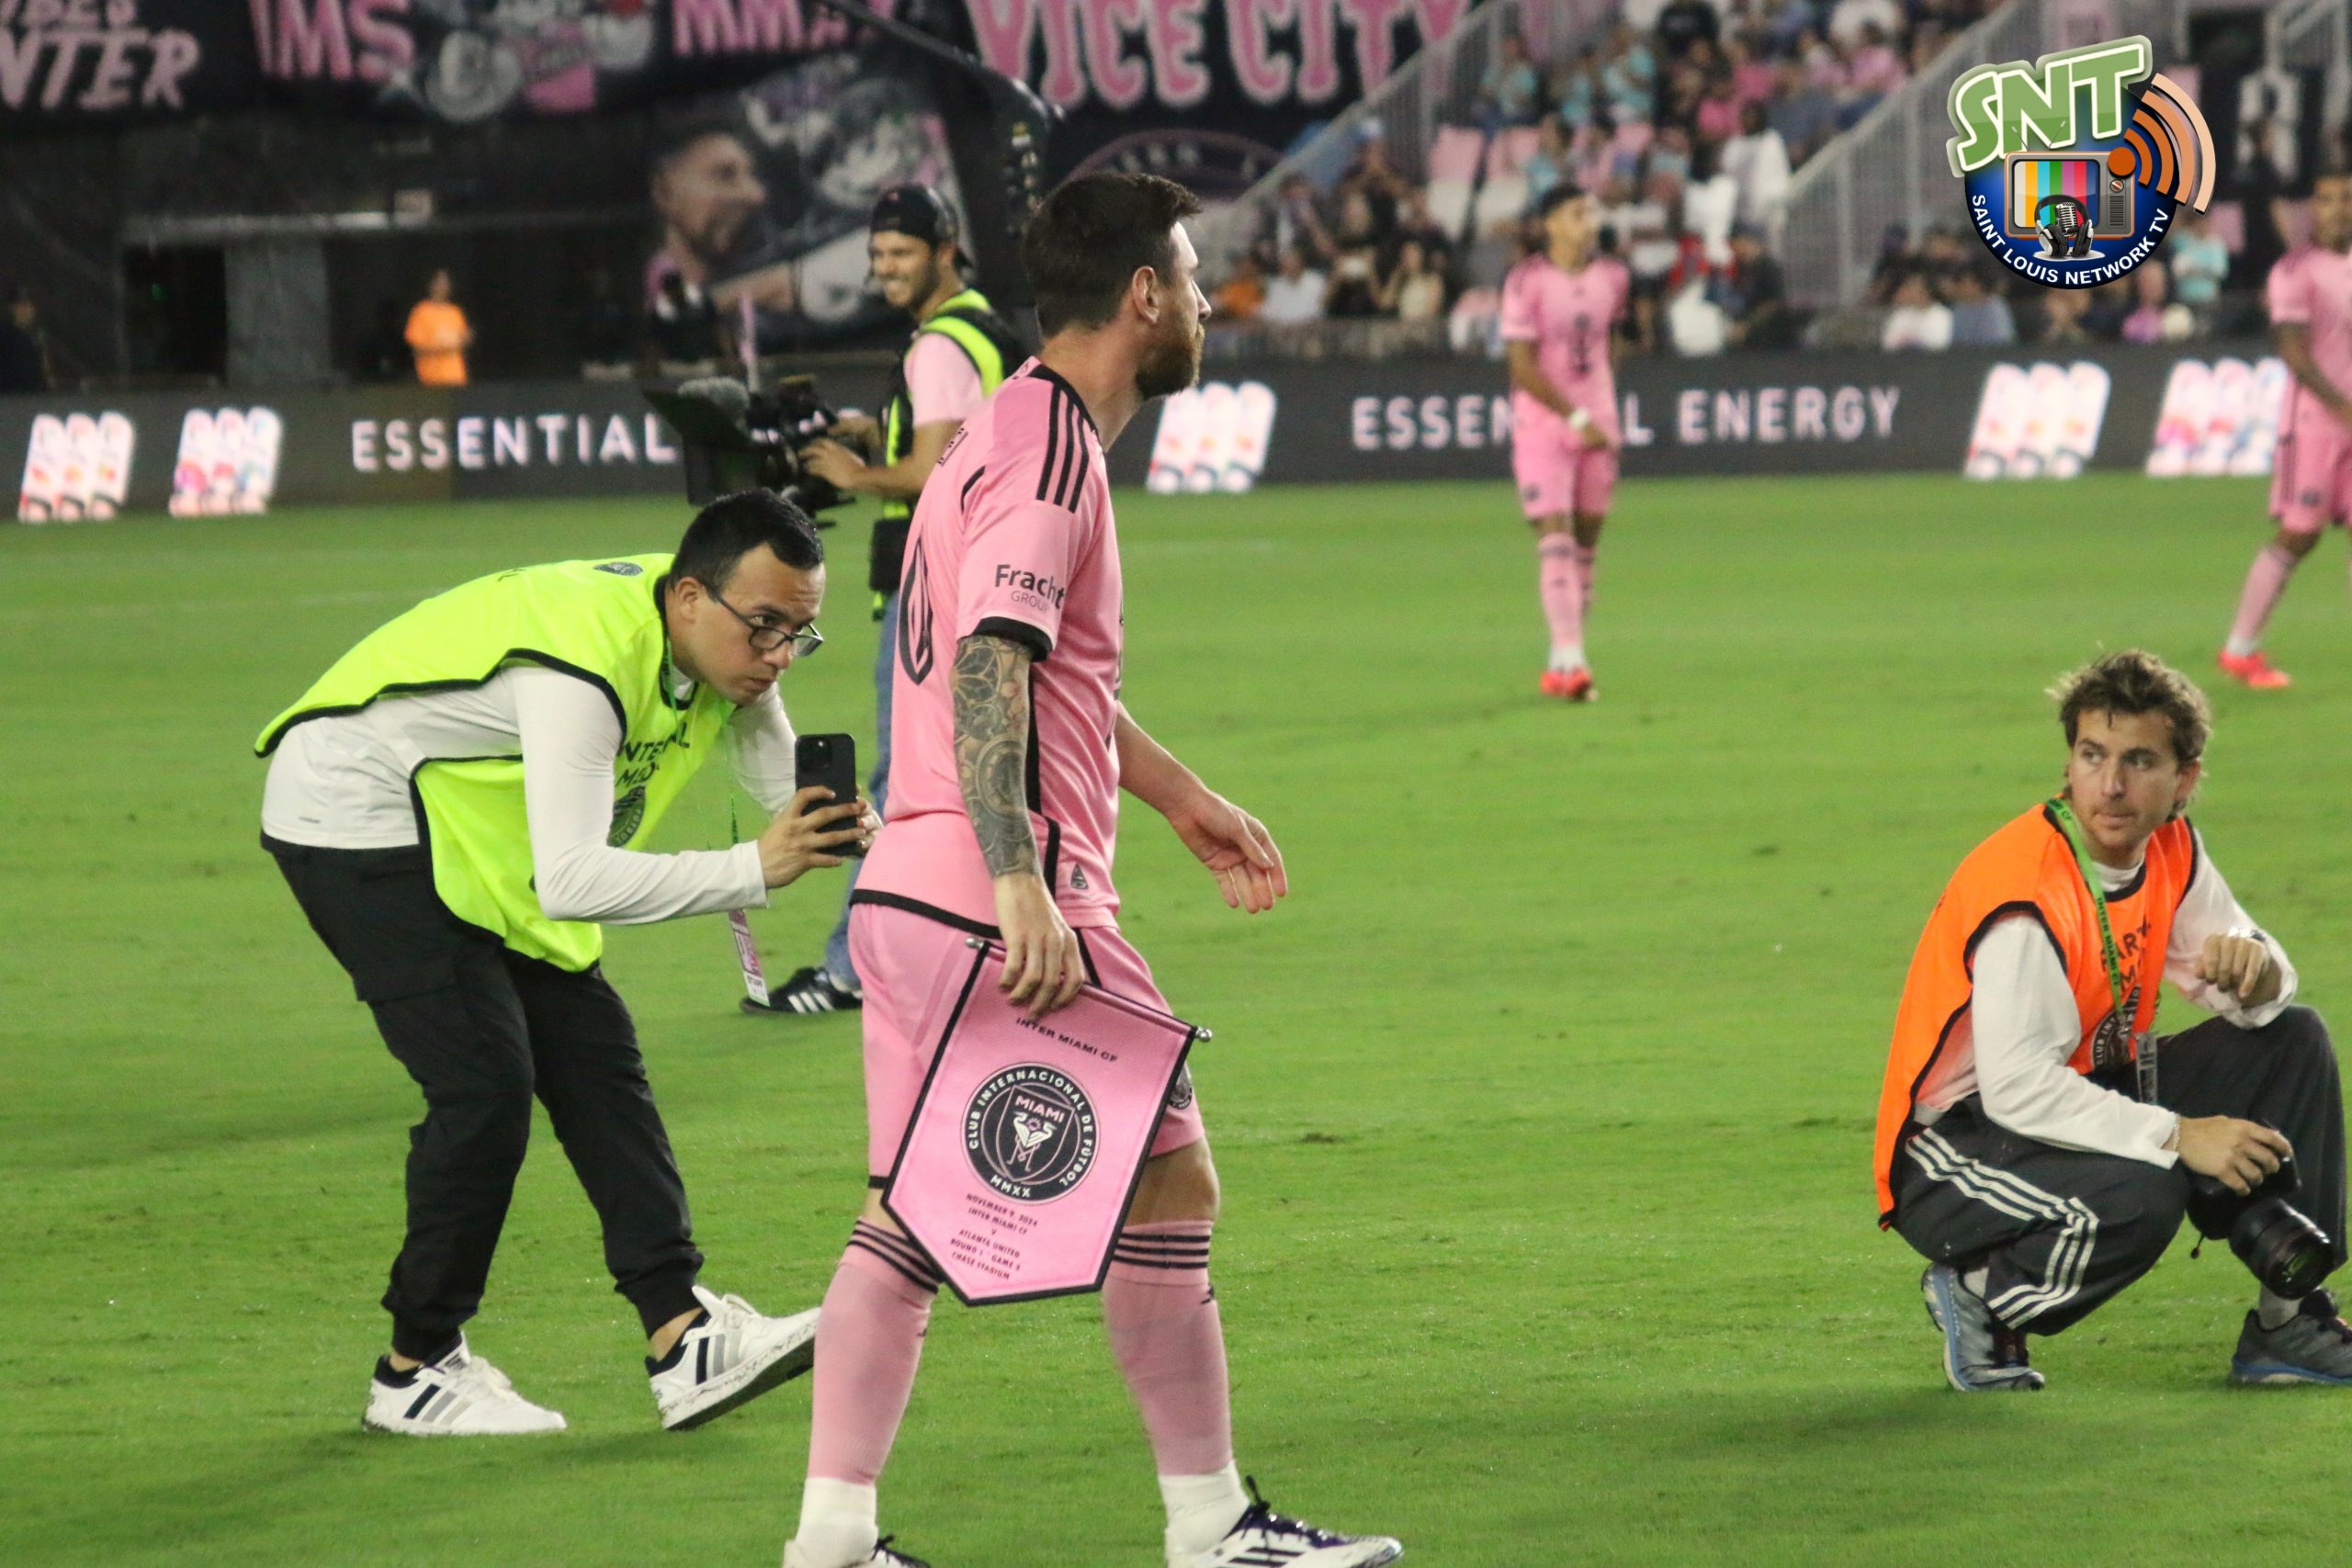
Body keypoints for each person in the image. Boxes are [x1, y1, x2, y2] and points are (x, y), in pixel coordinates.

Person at [780, 171, 1402, 1568]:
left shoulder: (999, 432)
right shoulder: (1053, 453)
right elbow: (991, 662)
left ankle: (833, 1536)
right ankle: (1210, 1523)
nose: (1202, 302)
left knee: (906, 1217)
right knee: (1171, 1188)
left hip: (907, 894)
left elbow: (1041, 667)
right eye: (1188, 276)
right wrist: (1020, 879)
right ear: (1140, 296)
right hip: (1005, 899)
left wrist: (1179, 797)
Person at [254, 492, 875, 1437]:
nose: (780, 654)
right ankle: (416, 1368)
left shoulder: (723, 644)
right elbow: (574, 879)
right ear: (689, 598)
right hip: (351, 812)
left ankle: (683, 1336)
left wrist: (879, 843)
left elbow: (781, 792)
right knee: (485, 1084)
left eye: (799, 632)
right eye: (765, 628)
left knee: (594, 1055)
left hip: (461, 823)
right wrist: (754, 867)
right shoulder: (584, 666)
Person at [1874, 650, 2351, 1393]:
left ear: (2183, 780)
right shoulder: (2028, 891)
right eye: (2093, 755)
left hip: (2084, 1085)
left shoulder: (2168, 848)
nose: (2111, 784)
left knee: (2294, 1039)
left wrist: (2258, 973)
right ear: (2069, 762)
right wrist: (2181, 1134)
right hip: (1955, 1146)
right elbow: (2018, 1089)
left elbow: (2255, 980)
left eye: (2139, 760)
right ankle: (1982, 1295)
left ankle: (2288, 1319)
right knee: (2143, 1194)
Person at [777, 186, 1025, 1016]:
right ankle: (982, 941)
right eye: (877, 255)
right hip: (984, 577)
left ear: (944, 249)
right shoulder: (982, 327)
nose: (886, 269)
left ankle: (850, 967)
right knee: (972, 774)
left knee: (896, 784)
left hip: (932, 592)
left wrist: (857, 472)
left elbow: (930, 470)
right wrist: (874, 428)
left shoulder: (939, 346)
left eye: (901, 253)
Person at [2221, 171, 2352, 690]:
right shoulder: (2296, 270)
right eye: (2327, 198)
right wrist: (2342, 408)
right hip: (2315, 425)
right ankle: (2239, 650)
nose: (2338, 207)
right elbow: (2294, 351)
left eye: (2346, 198)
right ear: (2312, 209)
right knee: (2301, 533)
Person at [1501, 183, 1632, 703]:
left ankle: (1562, 663)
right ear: (1551, 223)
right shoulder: (1527, 281)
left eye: (1592, 212)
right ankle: (1573, 660)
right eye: (1578, 213)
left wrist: (1600, 405)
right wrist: (1574, 415)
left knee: (1585, 548)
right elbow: (1520, 365)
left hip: (1598, 423)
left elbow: (1611, 342)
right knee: (1554, 539)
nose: (1590, 221)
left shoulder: (1613, 276)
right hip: (1543, 424)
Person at [405, 269, 472, 387]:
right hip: (432, 380)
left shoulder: (455, 312)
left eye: (446, 283)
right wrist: (444, 347)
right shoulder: (420, 312)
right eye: (440, 283)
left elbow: (462, 341)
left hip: (456, 379)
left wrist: (466, 340)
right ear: (431, 285)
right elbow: (417, 349)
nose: (443, 287)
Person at [1942, 265, 2015, 347]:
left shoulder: (1995, 306)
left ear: (1978, 285)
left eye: (1964, 284)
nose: (1960, 288)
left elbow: (2001, 340)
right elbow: (1955, 341)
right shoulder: (1958, 309)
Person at [1880, 270, 1952, 350]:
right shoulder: (1900, 314)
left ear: (1926, 292)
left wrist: (1914, 342)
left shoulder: (1941, 314)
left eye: (1914, 289)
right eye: (1909, 288)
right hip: (1901, 357)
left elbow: (1939, 344)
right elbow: (1888, 343)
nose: (1910, 293)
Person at [0, 283, 51, 393]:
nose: (24, 310)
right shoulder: (5, 335)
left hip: (35, 394)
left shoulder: (38, 335)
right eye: (19, 306)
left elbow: (44, 366)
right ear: (11, 308)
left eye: (29, 306)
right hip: (9, 394)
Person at [1260, 243, 1328, 325]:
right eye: (1284, 262)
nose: (1287, 265)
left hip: (1311, 327)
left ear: (1300, 262)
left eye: (1292, 261)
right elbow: (1270, 312)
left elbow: (1320, 310)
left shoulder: (1316, 281)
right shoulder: (1276, 286)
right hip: (1282, 329)